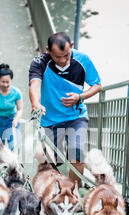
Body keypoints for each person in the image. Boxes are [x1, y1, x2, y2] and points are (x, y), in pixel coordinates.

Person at [29, 32, 102, 186]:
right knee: (48, 161)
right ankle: (46, 193)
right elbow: (34, 84)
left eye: (66, 56)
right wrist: (36, 103)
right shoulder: (39, 62)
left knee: (76, 156)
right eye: (57, 57)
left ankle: (73, 193)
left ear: (72, 47)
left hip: (76, 117)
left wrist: (80, 96)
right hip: (49, 120)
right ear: (48, 50)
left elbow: (97, 85)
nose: (62, 61)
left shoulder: (82, 59)